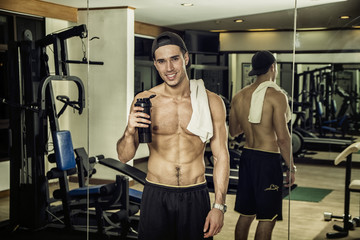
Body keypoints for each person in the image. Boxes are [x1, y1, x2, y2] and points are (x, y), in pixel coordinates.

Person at [116, 31, 230, 240]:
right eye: (161, 61)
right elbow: (124, 157)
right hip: (156, 193)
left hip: (195, 194)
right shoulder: (145, 100)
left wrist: (219, 206)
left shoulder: (211, 101)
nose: (169, 68)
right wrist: (129, 130)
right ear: (155, 64)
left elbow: (221, 155)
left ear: (186, 58)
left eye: (174, 59)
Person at [229, 51, 296, 240]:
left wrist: (252, 122)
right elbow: (283, 138)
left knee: (246, 214)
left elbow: (233, 131)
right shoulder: (277, 95)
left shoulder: (239, 96)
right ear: (273, 67)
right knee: (268, 217)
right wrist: (291, 166)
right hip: (267, 161)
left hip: (247, 157)